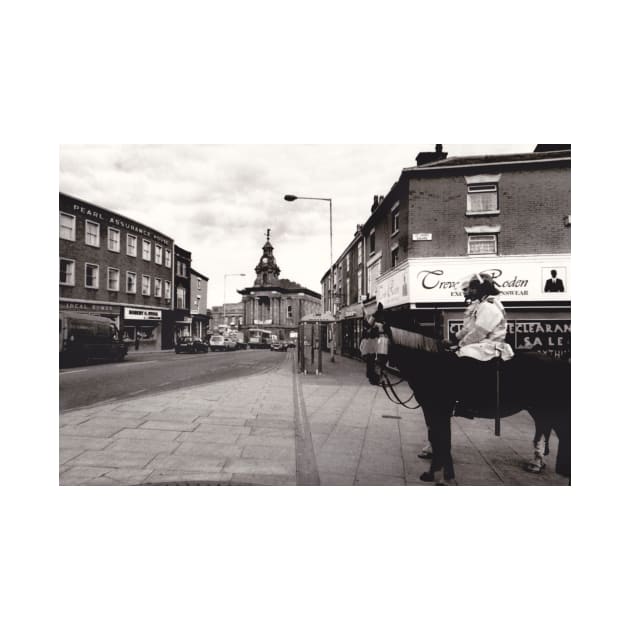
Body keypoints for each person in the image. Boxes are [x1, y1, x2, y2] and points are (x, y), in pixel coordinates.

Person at [453, 273, 514, 417]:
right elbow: (470, 328)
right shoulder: (482, 304)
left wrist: (461, 344)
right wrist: (454, 339)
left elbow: (479, 332)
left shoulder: (489, 306)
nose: (470, 291)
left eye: (473, 288)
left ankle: (469, 402)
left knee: (465, 355)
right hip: (483, 342)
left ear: (483, 289)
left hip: (492, 344)